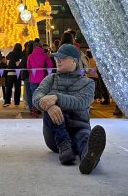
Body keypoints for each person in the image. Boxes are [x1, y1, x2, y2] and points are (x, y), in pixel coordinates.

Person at [33, 42, 106, 174]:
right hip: (55, 135)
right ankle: (64, 145)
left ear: (74, 61)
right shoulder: (50, 79)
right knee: (53, 109)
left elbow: (81, 101)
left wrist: (56, 98)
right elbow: (36, 97)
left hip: (79, 127)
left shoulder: (88, 83)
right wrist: (50, 107)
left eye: (62, 57)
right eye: (56, 57)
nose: (57, 60)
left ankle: (89, 157)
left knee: (84, 138)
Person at [27, 40, 54, 117]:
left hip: (33, 78)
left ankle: (35, 110)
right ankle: (43, 109)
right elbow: (50, 66)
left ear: (33, 48)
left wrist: (33, 72)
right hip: (44, 78)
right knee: (43, 93)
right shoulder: (45, 55)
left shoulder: (30, 56)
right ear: (41, 47)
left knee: (34, 94)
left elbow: (28, 68)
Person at [4, 43, 23, 107]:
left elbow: (7, 58)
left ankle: (7, 101)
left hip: (10, 73)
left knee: (9, 88)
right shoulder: (21, 54)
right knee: (17, 88)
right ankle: (17, 103)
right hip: (18, 73)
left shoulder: (11, 53)